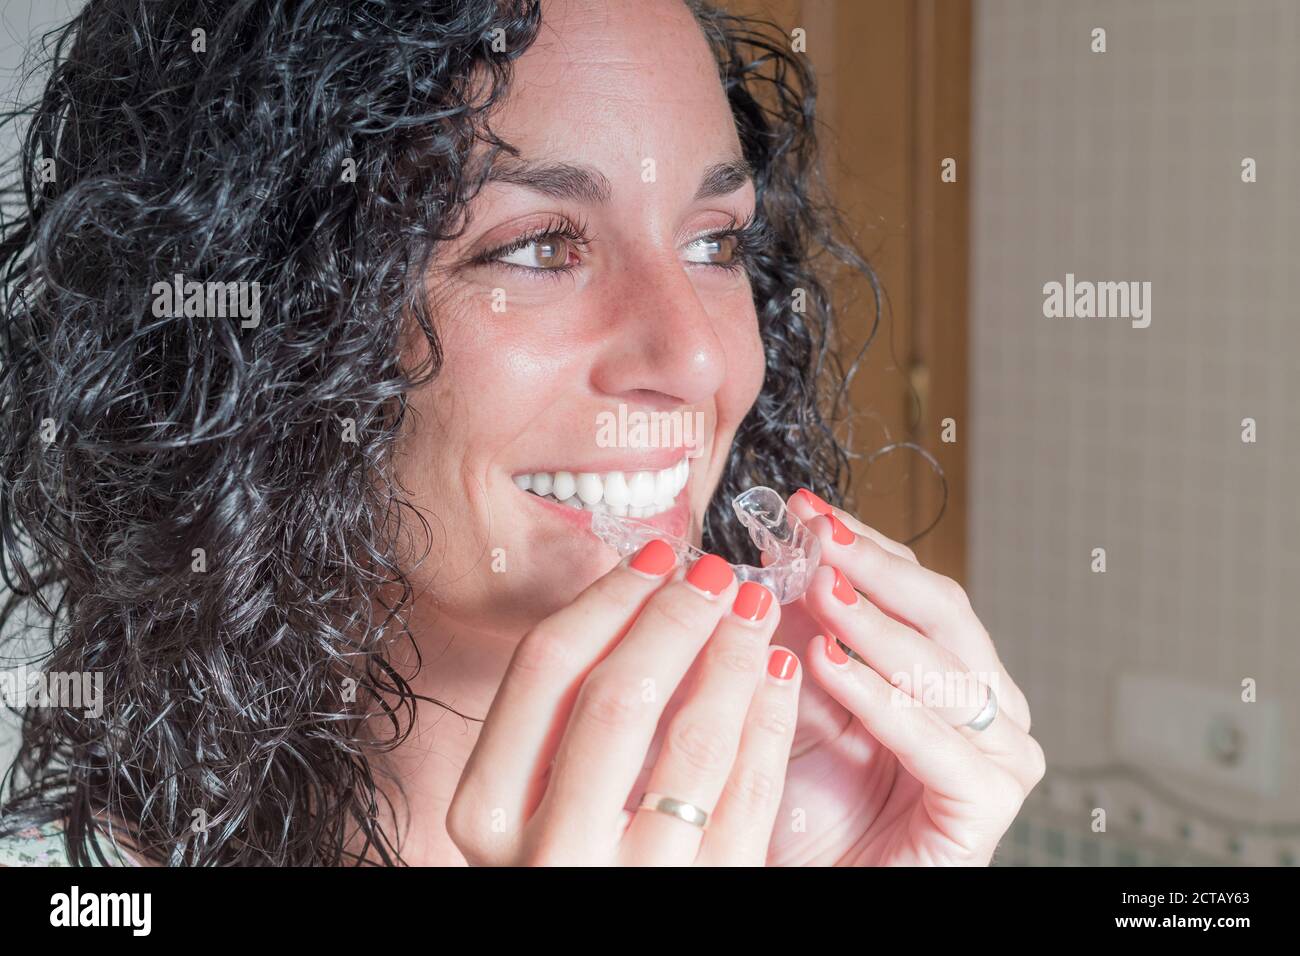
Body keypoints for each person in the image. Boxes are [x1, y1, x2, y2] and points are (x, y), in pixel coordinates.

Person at [0, 0, 1042, 866]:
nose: (692, 359)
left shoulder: (811, 821)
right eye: (539, 247)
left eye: (713, 239)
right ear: (259, 333)